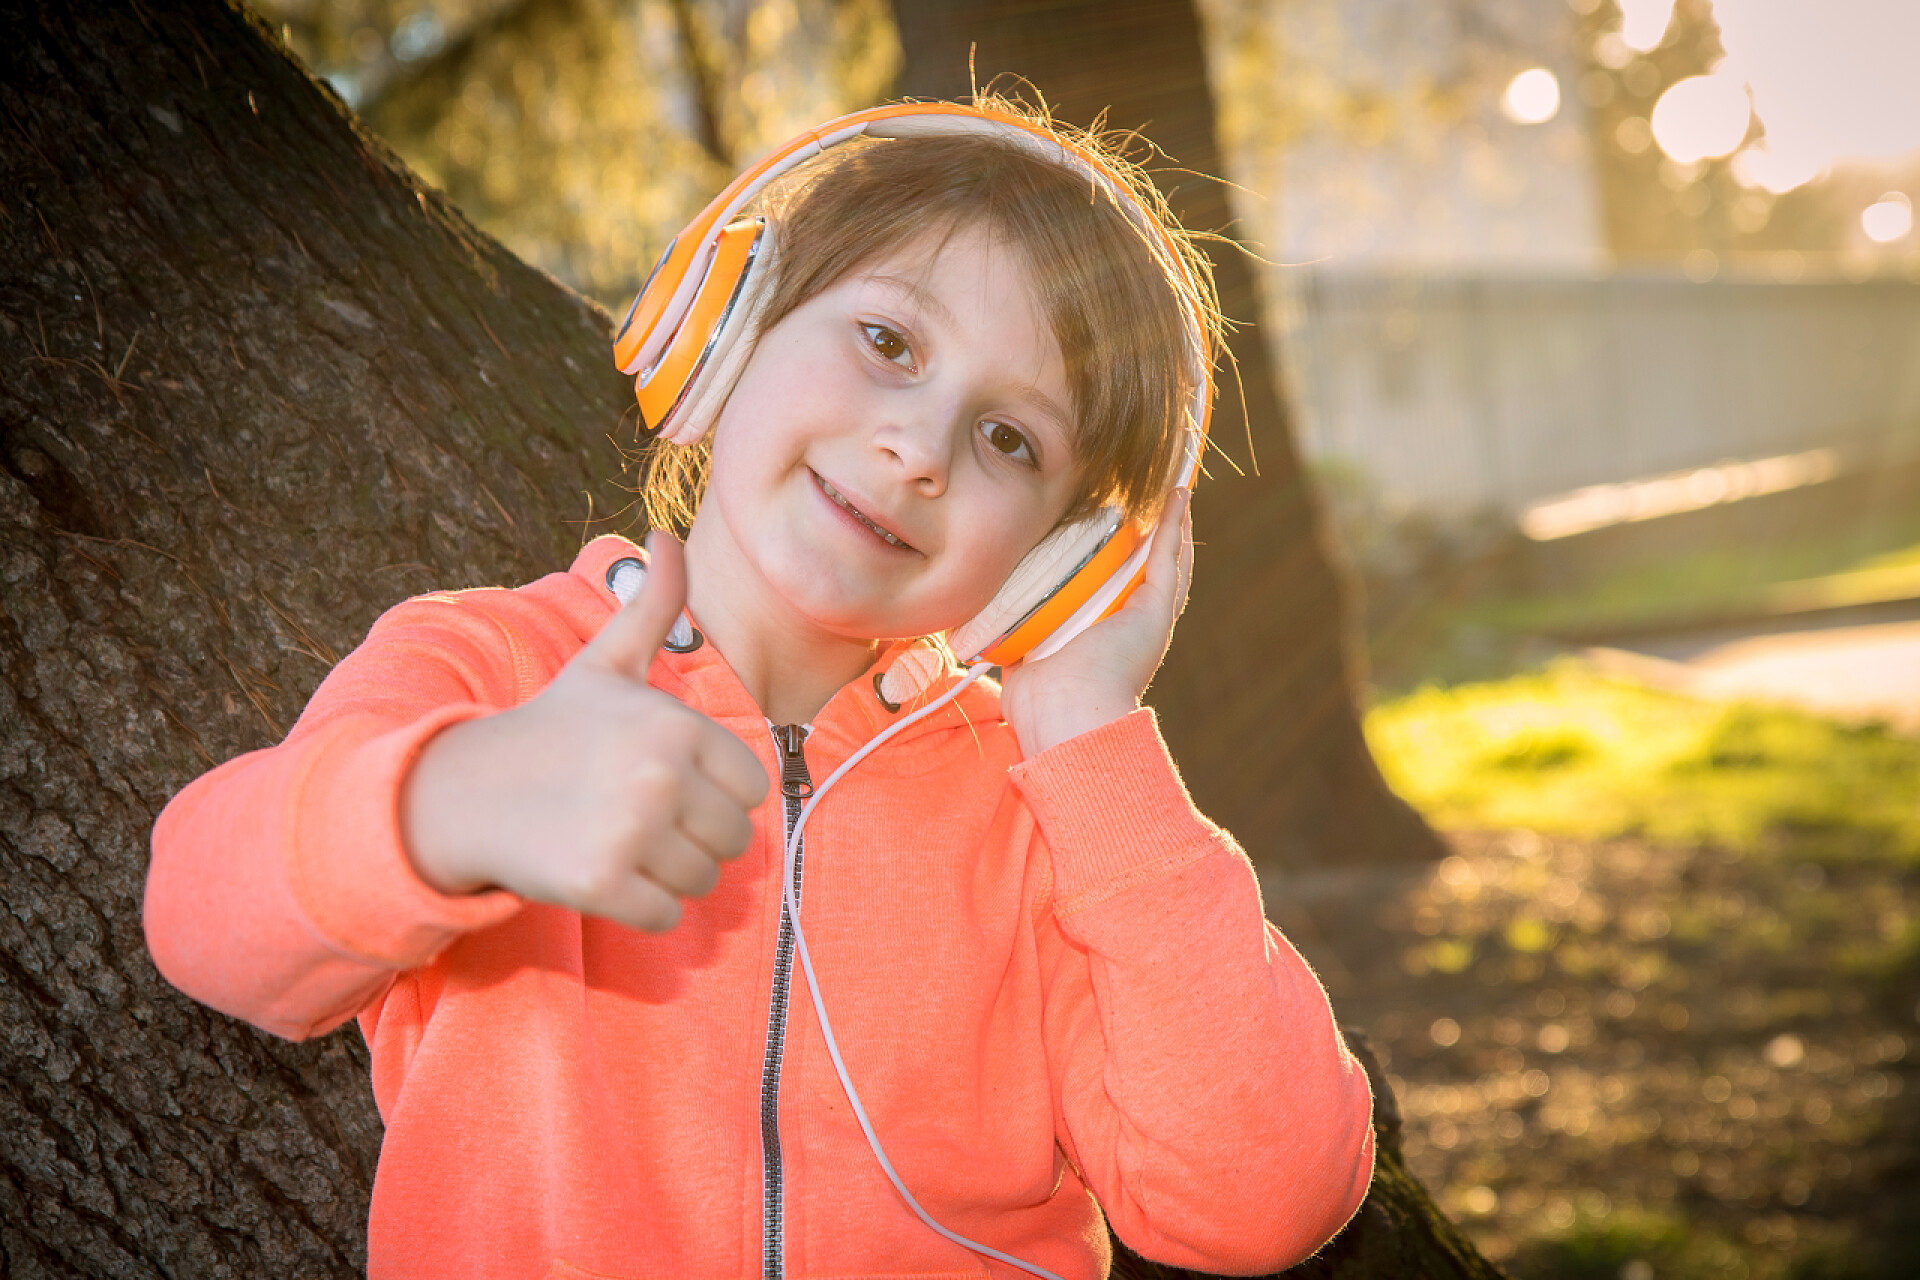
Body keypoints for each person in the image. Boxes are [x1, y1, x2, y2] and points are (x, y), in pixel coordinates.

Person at [144, 97, 1375, 1280]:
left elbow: (1259, 1198)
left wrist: (1093, 740)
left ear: (1056, 564)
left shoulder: (1045, 824)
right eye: (888, 341)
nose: (919, 449)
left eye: (1011, 439)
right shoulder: (499, 668)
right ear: (724, 328)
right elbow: (208, 919)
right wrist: (452, 803)